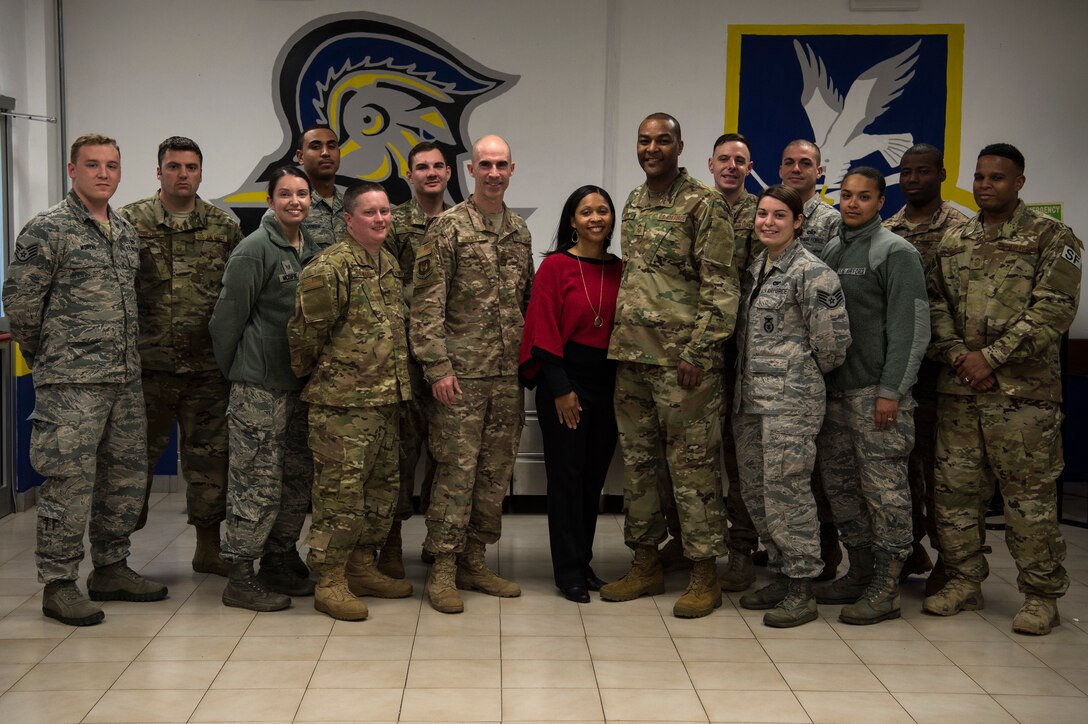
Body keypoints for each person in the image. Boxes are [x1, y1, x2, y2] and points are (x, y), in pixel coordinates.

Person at [3, 133, 168, 626]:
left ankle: (111, 567)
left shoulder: (124, 231)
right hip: (71, 384)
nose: (103, 173)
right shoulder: (47, 229)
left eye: (112, 165)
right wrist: (52, 359)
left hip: (123, 380)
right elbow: (22, 308)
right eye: (93, 164)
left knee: (123, 478)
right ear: (72, 170)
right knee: (69, 483)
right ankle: (59, 582)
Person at [924, 143, 1081, 636]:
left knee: (1027, 499)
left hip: (1023, 398)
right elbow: (932, 305)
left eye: (997, 177)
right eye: (980, 176)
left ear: (1019, 183)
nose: (986, 184)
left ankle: (1040, 596)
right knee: (955, 495)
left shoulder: (1053, 237)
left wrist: (988, 359)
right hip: (960, 392)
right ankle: (965, 581)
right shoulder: (954, 239)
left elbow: (1054, 309)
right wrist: (958, 357)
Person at [600, 113, 738, 619]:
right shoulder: (635, 201)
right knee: (639, 469)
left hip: (684, 364)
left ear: (680, 145)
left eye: (662, 140)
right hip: (633, 358)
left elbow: (721, 289)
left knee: (693, 468)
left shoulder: (704, 205)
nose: (651, 148)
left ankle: (705, 572)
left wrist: (698, 355)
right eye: (644, 140)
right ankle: (646, 561)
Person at [411, 134, 534, 614]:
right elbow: (426, 306)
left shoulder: (519, 231)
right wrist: (437, 366)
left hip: (506, 377)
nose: (493, 173)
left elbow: (524, 301)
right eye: (485, 164)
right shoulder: (447, 228)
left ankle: (474, 560)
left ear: (512, 169)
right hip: (459, 378)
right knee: (456, 474)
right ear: (470, 171)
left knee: (493, 474)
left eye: (501, 164)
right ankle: (442, 566)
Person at [288, 182, 414, 620]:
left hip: (384, 402)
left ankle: (361, 567)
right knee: (339, 498)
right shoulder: (331, 267)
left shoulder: (388, 265)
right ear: (348, 220)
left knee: (380, 494)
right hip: (342, 408)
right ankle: (330, 579)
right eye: (370, 213)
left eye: (385, 212)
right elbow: (306, 338)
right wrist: (333, 380)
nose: (380, 219)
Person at [119, 136, 242, 577]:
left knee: (210, 462)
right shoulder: (128, 223)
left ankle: (209, 547)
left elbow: (237, 298)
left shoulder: (223, 227)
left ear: (201, 173)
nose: (183, 174)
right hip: (145, 370)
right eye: (173, 166)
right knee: (132, 465)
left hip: (207, 371)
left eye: (191, 166)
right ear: (159, 172)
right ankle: (116, 558)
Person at [733, 185, 852, 627]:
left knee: (788, 494)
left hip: (790, 403)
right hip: (749, 401)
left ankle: (803, 585)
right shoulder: (755, 269)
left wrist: (795, 375)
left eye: (779, 215)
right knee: (757, 493)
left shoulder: (813, 274)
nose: (768, 222)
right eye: (762, 214)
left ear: (798, 221)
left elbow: (834, 347)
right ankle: (782, 572)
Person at [815, 167, 929, 625]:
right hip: (835, 394)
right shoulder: (831, 247)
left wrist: (892, 392)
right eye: (847, 195)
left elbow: (911, 328)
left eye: (864, 196)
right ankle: (859, 570)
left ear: (882, 201)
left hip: (875, 397)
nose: (853, 203)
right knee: (843, 491)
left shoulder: (896, 252)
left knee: (885, 494)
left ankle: (887, 584)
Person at [209, 166, 322, 611]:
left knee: (295, 480)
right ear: (270, 200)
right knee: (254, 481)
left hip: (298, 386)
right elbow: (225, 322)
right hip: (259, 388)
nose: (295, 201)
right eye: (285, 194)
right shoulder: (254, 250)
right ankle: (240, 574)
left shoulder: (311, 249)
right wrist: (239, 371)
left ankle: (278, 558)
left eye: (302, 194)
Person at [518, 185, 622, 603]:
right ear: (572, 221)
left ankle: (584, 561)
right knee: (567, 478)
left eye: (602, 211)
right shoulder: (556, 267)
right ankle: (567, 571)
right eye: (585, 212)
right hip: (565, 381)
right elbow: (541, 328)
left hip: (608, 383)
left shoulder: (620, 269)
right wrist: (560, 389)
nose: (595, 218)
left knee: (593, 480)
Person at [881, 143, 969, 590]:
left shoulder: (960, 228)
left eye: (922, 171)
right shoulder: (888, 228)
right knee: (901, 466)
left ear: (941, 174)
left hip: (944, 369)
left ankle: (950, 560)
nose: (913, 179)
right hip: (901, 371)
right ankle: (909, 547)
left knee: (944, 469)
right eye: (906, 172)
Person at [379, 140, 451, 578]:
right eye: (421, 167)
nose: (430, 173)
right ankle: (389, 543)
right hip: (403, 360)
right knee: (399, 456)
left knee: (445, 457)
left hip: (451, 359)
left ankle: (437, 542)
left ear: (448, 173)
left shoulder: (463, 222)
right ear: (410, 175)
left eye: (437, 166)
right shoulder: (393, 223)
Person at [779, 138, 845, 579]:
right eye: (789, 163)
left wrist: (812, 365)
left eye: (806, 163)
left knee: (821, 473)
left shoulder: (834, 223)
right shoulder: (765, 215)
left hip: (813, 365)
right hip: (772, 368)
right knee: (786, 472)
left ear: (820, 172)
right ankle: (793, 555)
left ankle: (823, 557)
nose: (797, 169)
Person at [707, 132, 761, 592]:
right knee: (695, 456)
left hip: (745, 353)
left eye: (738, 160)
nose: (730, 166)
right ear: (710, 164)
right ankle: (698, 543)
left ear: (749, 166)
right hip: (701, 350)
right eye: (723, 158)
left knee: (740, 457)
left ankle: (742, 549)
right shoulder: (695, 208)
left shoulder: (761, 214)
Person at [261, 125, 345, 249]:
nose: (325, 153)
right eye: (315, 147)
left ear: (338, 154)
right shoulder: (281, 212)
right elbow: (268, 260)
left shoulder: (353, 208)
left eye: (331, 146)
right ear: (300, 157)